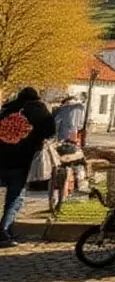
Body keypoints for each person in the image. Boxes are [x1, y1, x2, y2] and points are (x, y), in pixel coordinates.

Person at [0, 88, 55, 248]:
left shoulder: (6, 109)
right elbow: (51, 131)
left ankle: (7, 230)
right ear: (36, 98)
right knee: (15, 197)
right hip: (22, 160)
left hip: (1, 157)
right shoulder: (39, 110)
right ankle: (3, 231)